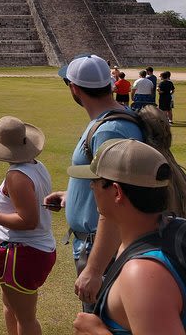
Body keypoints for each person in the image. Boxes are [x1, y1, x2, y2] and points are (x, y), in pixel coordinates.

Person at [44, 54, 143, 311]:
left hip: (102, 250)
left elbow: (118, 203)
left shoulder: (111, 130)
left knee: (99, 322)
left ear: (74, 89)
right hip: (93, 243)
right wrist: (71, 196)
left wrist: (95, 270)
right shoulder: (107, 122)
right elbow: (108, 183)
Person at [71, 139, 185, 334]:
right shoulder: (178, 228)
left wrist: (96, 331)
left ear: (116, 192)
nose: (91, 187)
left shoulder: (142, 274)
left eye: (96, 180)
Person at [0, 116, 56, 335]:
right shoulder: (36, 166)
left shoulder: (16, 176)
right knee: (10, 307)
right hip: (30, 250)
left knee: (26, 319)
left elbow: (28, 221)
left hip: (22, 254)